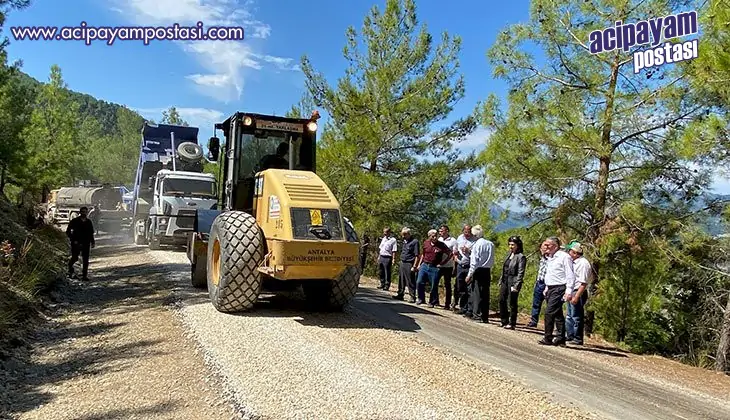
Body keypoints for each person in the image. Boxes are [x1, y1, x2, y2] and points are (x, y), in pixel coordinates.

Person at [538, 237, 576, 346]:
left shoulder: (564, 257)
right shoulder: (550, 257)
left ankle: (548, 337)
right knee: (558, 313)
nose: (546, 247)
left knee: (549, 312)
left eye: (548, 245)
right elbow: (551, 273)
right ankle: (560, 337)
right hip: (550, 287)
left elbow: (570, 275)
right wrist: (546, 287)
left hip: (559, 288)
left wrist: (569, 291)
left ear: (555, 246)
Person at [464, 225, 495, 323]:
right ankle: (485, 316)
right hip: (487, 270)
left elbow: (474, 262)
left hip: (478, 270)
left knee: (476, 293)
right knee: (485, 293)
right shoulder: (490, 244)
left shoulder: (477, 245)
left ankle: (476, 314)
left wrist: (469, 275)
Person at [414, 229, 451, 307]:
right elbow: (423, 254)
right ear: (429, 236)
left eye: (436, 236)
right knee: (419, 282)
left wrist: (442, 263)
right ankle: (421, 299)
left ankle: (432, 301)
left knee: (434, 285)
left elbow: (450, 254)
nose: (435, 238)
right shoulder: (426, 243)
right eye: (433, 236)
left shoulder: (441, 245)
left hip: (434, 267)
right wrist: (419, 265)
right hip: (424, 265)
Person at [498, 236, 527, 329]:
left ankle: (512, 323)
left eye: (513, 245)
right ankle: (503, 320)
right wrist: (501, 280)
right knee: (502, 300)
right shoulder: (508, 254)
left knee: (512, 302)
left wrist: (517, 285)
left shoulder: (521, 257)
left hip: (513, 281)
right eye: (509, 244)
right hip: (505, 280)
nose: (511, 246)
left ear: (518, 245)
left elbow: (520, 272)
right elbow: (504, 268)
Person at [566, 241, 591, 345]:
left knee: (576, 316)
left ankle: (577, 338)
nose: (568, 253)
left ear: (575, 253)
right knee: (569, 315)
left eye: (570, 251)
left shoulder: (583, 264)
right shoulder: (574, 262)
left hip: (578, 292)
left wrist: (576, 296)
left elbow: (583, 283)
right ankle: (569, 335)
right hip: (571, 290)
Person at [66, 206, 96, 281]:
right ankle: (70, 269)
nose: (84, 213)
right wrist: (73, 239)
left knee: (85, 260)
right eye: (82, 212)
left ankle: (84, 276)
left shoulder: (89, 222)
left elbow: (91, 233)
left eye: (85, 212)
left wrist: (92, 242)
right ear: (80, 212)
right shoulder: (75, 221)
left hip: (86, 243)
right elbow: (68, 231)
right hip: (76, 243)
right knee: (75, 257)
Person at [393, 227, 419, 303]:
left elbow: (417, 255)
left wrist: (414, 266)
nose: (403, 236)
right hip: (402, 262)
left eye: (404, 234)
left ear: (409, 234)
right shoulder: (404, 241)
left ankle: (412, 296)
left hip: (409, 263)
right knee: (401, 279)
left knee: (410, 280)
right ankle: (400, 294)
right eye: (402, 235)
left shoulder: (415, 242)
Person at [454, 224, 476, 313]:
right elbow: (455, 249)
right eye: (465, 231)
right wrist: (455, 254)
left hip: (469, 266)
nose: (467, 233)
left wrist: (469, 251)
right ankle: (462, 307)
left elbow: (476, 254)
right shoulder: (460, 238)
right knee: (460, 287)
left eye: (469, 231)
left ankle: (469, 309)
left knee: (469, 288)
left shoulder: (474, 240)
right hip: (460, 265)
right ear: (463, 231)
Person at [527, 242, 549, 328]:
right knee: (536, 303)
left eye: (546, 247)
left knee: (549, 305)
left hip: (548, 284)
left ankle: (549, 324)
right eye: (543, 247)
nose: (544, 249)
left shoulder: (551, 258)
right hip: (539, 282)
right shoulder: (542, 258)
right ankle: (533, 321)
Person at [436, 225, 458, 309]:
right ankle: (435, 300)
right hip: (438, 265)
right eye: (439, 231)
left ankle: (447, 304)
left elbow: (454, 254)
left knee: (447, 285)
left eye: (442, 231)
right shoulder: (439, 240)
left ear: (447, 231)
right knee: (435, 282)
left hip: (448, 266)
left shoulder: (453, 241)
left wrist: (454, 267)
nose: (440, 232)